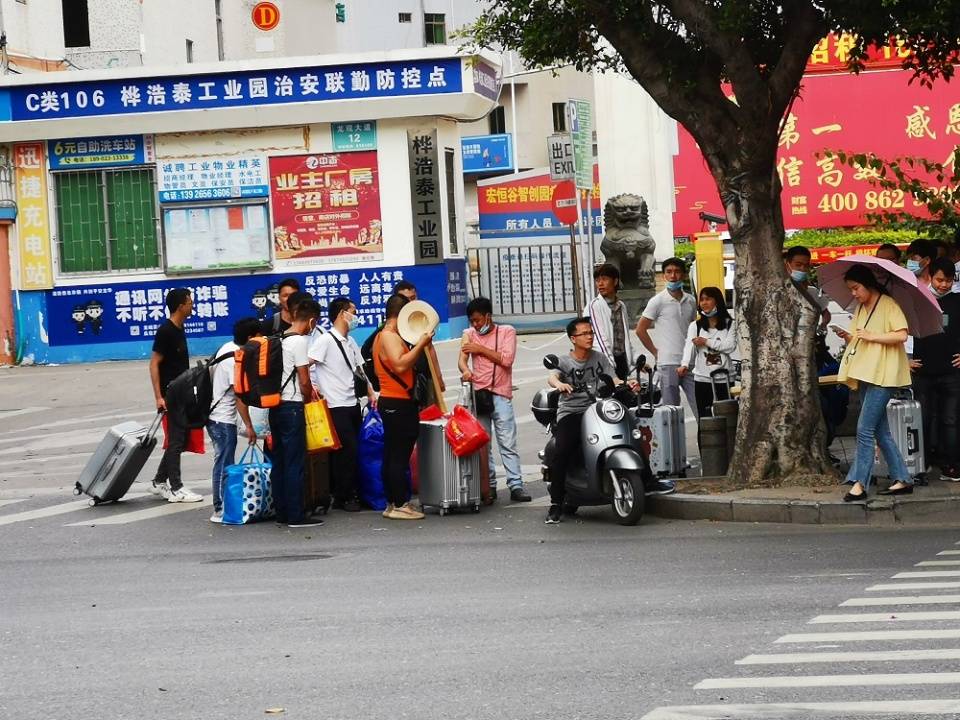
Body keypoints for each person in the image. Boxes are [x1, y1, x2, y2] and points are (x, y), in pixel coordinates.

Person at [833, 264, 913, 501]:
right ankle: (902, 478)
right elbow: (858, 338)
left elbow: (901, 334)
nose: (854, 293)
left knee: (864, 429)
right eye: (851, 289)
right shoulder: (861, 307)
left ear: (867, 285)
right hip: (867, 371)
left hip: (885, 374)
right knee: (880, 431)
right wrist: (847, 336)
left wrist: (872, 336)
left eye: (856, 288)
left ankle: (860, 482)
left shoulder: (889, 304)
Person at [458, 297, 531, 504]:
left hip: (500, 394)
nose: (475, 325)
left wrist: (480, 350)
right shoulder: (468, 335)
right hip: (479, 395)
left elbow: (507, 360)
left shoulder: (507, 331)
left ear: (488, 316)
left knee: (507, 443)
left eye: (478, 320)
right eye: (472, 321)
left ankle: (515, 485)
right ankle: (488, 486)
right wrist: (466, 370)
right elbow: (462, 360)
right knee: (484, 444)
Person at [308, 297, 376, 511]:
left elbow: (360, 370)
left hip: (352, 403)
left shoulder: (351, 341)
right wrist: (313, 387)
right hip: (335, 405)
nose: (355, 316)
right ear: (341, 314)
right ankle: (343, 496)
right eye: (353, 311)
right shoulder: (325, 340)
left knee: (353, 450)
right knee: (346, 451)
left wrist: (371, 392)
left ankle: (347, 492)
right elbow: (307, 364)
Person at [373, 293, 432, 520]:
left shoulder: (385, 335)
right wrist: (420, 345)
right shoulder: (389, 336)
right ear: (400, 314)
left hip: (393, 401)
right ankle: (399, 503)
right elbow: (399, 365)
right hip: (397, 402)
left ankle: (392, 502)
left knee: (392, 454)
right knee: (398, 455)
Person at [269, 299, 324, 528]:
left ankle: (282, 512)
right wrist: (309, 397)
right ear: (311, 320)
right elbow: (303, 381)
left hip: (276, 406)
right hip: (292, 408)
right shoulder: (300, 342)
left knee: (280, 462)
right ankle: (296, 515)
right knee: (295, 463)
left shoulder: (280, 338)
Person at [147, 288, 203, 503]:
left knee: (178, 440)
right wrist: (159, 397)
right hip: (171, 393)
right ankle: (176, 488)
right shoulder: (166, 331)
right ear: (181, 305)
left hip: (182, 390)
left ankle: (159, 481)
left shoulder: (179, 328)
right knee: (176, 440)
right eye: (189, 302)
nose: (192, 305)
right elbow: (154, 364)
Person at [909, 257, 960, 481]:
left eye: (949, 280)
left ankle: (951, 465)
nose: (944, 285)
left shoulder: (958, 301)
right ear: (930, 277)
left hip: (951, 371)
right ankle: (923, 464)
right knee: (923, 418)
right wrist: (905, 360)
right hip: (922, 371)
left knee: (950, 420)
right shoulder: (918, 299)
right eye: (940, 279)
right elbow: (903, 331)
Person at [207, 318, 260, 523]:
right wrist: (249, 426)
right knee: (223, 464)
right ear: (249, 338)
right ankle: (219, 508)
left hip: (218, 417)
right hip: (222, 419)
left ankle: (225, 505)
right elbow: (239, 397)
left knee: (225, 462)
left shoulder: (227, 348)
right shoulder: (233, 359)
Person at [361, 280, 445, 400]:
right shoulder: (388, 331)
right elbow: (391, 363)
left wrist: (438, 378)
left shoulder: (420, 320)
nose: (410, 303)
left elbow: (429, 348)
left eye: (413, 298)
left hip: (424, 381)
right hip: (402, 390)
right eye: (406, 300)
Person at [636, 258, 698, 415]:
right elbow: (640, 330)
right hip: (668, 362)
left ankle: (703, 439)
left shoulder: (690, 300)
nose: (673, 276)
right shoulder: (657, 301)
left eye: (677, 272)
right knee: (671, 412)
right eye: (669, 272)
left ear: (683, 275)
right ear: (664, 275)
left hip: (690, 362)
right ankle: (673, 440)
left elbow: (693, 328)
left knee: (700, 406)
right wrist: (656, 352)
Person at [679, 287, 738, 419]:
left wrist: (706, 342)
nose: (704, 303)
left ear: (717, 301)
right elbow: (689, 346)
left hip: (725, 378)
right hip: (702, 378)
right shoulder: (695, 326)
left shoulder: (730, 324)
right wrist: (685, 364)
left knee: (727, 417)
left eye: (708, 299)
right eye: (702, 299)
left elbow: (730, 347)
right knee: (705, 418)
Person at [586, 263, 637, 382]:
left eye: (604, 279)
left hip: (621, 361)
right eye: (597, 280)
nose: (600, 283)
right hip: (605, 364)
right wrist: (610, 366)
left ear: (615, 281)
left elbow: (624, 338)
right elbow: (600, 340)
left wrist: (634, 358)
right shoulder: (594, 306)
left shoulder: (621, 306)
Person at [784, 246, 831, 327]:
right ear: (787, 265)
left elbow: (825, 313)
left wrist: (823, 324)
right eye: (798, 265)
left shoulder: (812, 292)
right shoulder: (778, 291)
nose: (803, 269)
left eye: (806, 265)